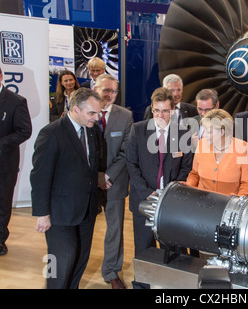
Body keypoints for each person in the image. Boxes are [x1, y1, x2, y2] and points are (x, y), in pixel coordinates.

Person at [31, 88, 102, 289]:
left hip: (87, 211)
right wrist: (42, 213)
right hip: (60, 214)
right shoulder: (51, 134)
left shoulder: (93, 130)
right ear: (76, 109)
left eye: (98, 113)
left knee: (79, 261)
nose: (96, 118)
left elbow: (90, 167)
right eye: (92, 113)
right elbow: (40, 176)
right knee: (59, 266)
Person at [126, 87, 193, 257]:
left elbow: (186, 167)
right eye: (156, 111)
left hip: (171, 202)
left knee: (173, 250)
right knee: (143, 248)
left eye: (164, 111)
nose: (160, 116)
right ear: (152, 108)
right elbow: (132, 164)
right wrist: (147, 192)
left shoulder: (183, 132)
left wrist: (171, 192)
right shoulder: (138, 129)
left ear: (172, 110)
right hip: (143, 198)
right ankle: (142, 284)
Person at [94, 74, 133, 289]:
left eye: (113, 91)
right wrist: (95, 176)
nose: (109, 95)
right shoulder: (82, 110)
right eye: (105, 90)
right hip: (87, 182)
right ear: (95, 87)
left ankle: (111, 271)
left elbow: (126, 150)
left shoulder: (125, 116)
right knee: (82, 227)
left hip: (115, 181)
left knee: (115, 228)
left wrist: (106, 176)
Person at [186, 109, 248, 197]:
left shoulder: (243, 148)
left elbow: (247, 183)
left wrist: (238, 200)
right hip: (201, 202)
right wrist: (188, 187)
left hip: (229, 205)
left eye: (209, 132)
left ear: (222, 132)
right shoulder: (201, 144)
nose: (204, 135)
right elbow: (194, 174)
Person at [0, 66, 32, 256]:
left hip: (4, 163)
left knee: (2, 202)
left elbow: (24, 131)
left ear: (1, 76)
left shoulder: (16, 101)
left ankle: (0, 239)